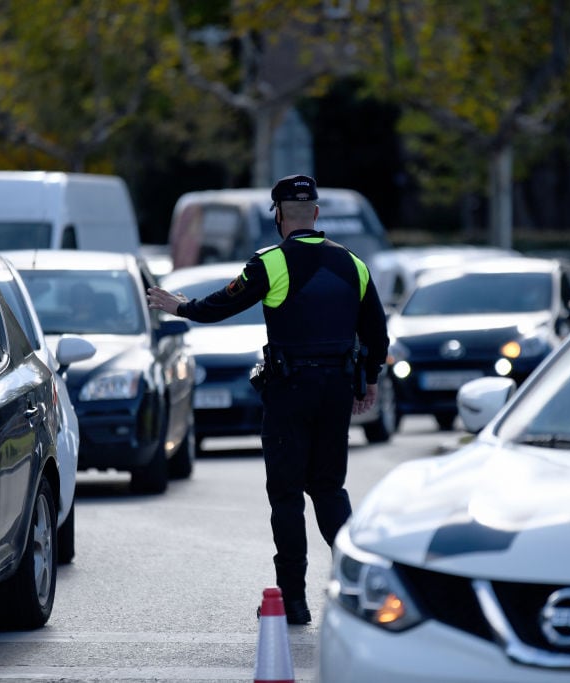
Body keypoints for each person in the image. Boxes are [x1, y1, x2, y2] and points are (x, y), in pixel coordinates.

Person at [146, 174, 389, 624]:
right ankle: (359, 590)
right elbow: (376, 332)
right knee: (330, 490)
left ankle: (293, 602)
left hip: (289, 392)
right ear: (316, 214)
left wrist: (179, 306)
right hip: (336, 390)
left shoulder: (270, 263)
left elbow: (221, 304)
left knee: (286, 497)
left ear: (278, 216)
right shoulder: (354, 264)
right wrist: (368, 380)